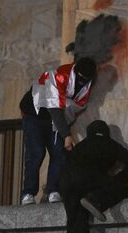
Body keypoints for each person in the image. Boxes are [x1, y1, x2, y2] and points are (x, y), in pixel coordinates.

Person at [20, 57, 97, 205]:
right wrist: (66, 135)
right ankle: (28, 193)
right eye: (80, 78)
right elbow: (55, 108)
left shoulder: (85, 86)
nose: (82, 82)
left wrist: (63, 132)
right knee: (36, 153)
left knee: (59, 153)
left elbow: (73, 108)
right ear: (75, 71)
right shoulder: (59, 76)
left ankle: (53, 190)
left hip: (55, 118)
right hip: (34, 114)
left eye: (85, 80)